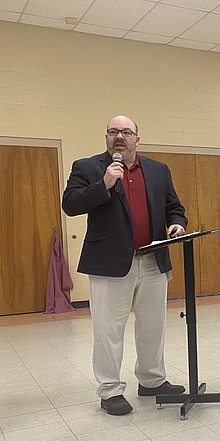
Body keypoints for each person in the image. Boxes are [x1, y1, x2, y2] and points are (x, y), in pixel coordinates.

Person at [62, 116, 187, 415]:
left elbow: (175, 208)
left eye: (127, 132)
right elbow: (70, 204)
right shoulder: (88, 167)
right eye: (114, 131)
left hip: (153, 260)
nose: (121, 136)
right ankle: (110, 390)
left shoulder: (158, 170)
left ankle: (151, 380)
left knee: (152, 326)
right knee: (108, 330)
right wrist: (103, 184)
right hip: (109, 264)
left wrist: (177, 224)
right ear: (106, 137)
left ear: (137, 138)